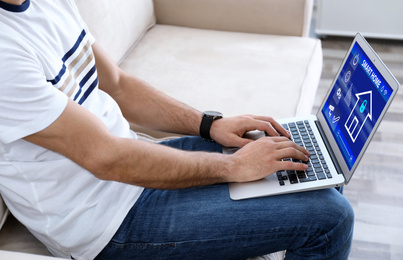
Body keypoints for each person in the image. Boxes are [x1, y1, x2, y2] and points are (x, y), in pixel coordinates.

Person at [0, 0, 354, 259]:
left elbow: (118, 84)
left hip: (133, 170)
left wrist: (210, 125)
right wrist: (233, 167)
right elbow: (104, 157)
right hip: (105, 223)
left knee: (299, 158)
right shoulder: (5, 52)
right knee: (331, 218)